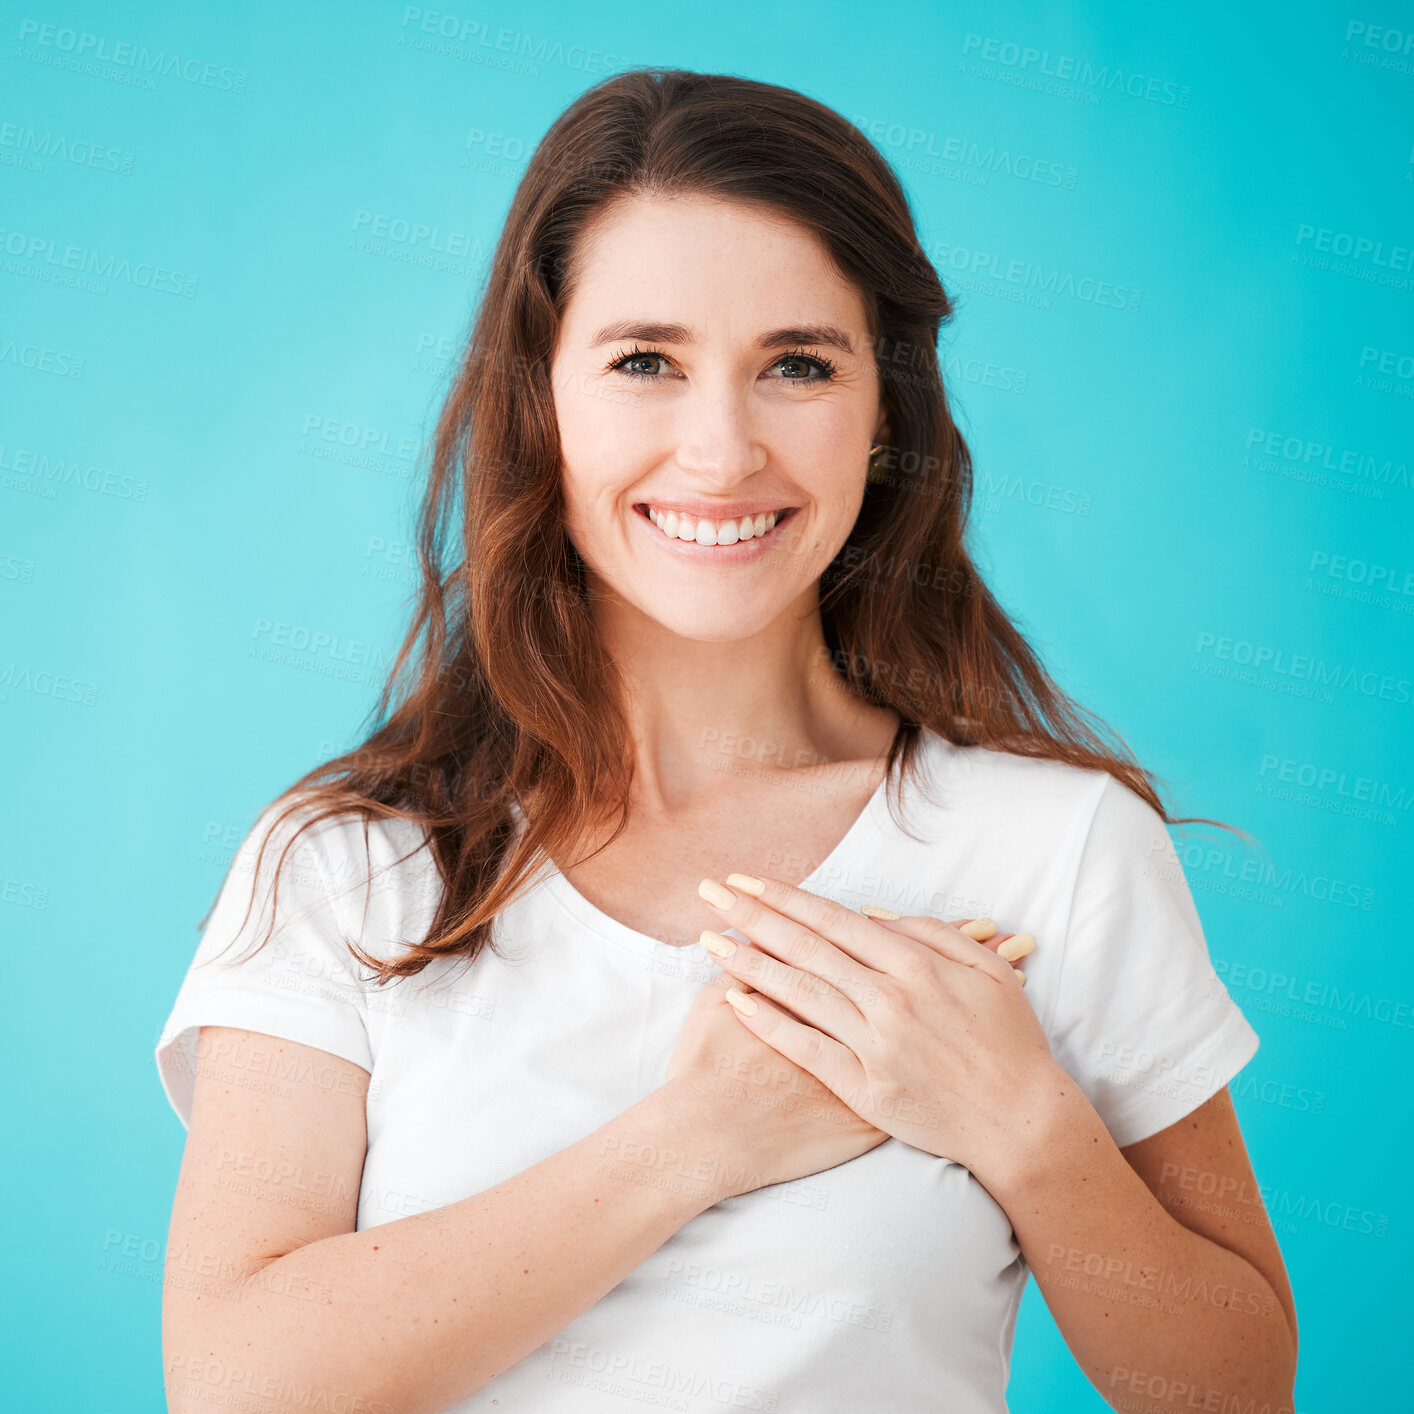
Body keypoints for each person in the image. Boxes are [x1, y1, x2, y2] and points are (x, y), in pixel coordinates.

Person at [155, 67, 1297, 1414]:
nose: (721, 448)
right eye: (646, 360)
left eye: (797, 365)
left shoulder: (1051, 849)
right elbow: (233, 1383)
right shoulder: (346, 867)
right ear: (542, 400)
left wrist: (1024, 1122)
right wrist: (694, 1137)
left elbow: (1232, 1387)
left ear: (885, 413)